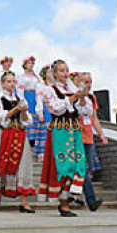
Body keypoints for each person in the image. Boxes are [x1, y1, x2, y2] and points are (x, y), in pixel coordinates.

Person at [38, 60, 90, 217]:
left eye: (67, 70)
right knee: (64, 165)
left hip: (74, 129)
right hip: (60, 129)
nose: (65, 73)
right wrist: (73, 98)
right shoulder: (49, 90)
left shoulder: (73, 89)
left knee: (78, 163)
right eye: (61, 70)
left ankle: (71, 196)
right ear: (54, 73)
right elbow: (56, 109)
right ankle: (63, 202)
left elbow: (85, 111)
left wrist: (81, 98)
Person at [0, 71, 35, 212]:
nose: (11, 84)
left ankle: (24, 201)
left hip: (19, 133)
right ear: (2, 83)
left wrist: (24, 111)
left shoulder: (20, 98)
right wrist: (15, 110)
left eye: (13, 81)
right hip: (4, 133)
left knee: (24, 164)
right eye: (8, 81)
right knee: (1, 162)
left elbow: (26, 121)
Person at [77, 72, 105, 211]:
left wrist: (101, 134)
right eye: (85, 81)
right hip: (77, 136)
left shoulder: (92, 98)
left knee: (86, 170)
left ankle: (75, 195)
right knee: (83, 168)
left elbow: (94, 118)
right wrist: (80, 98)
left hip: (88, 136)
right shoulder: (74, 96)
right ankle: (91, 200)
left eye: (90, 81)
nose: (88, 84)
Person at [33, 65, 55, 162]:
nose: (51, 74)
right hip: (45, 110)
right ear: (45, 75)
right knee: (44, 132)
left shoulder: (54, 85)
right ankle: (41, 153)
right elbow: (39, 99)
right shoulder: (40, 86)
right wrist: (40, 112)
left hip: (54, 109)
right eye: (49, 72)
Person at [17, 58, 40, 148]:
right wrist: (22, 100)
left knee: (36, 116)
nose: (31, 65)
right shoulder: (22, 77)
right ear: (25, 65)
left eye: (32, 63)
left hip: (35, 97)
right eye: (29, 63)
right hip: (27, 96)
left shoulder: (36, 77)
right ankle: (29, 138)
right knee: (28, 116)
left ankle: (36, 138)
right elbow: (20, 90)